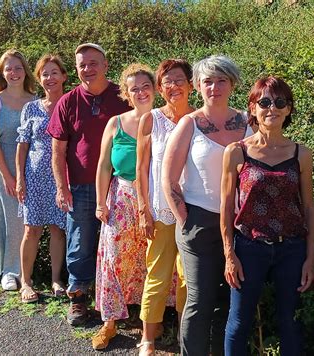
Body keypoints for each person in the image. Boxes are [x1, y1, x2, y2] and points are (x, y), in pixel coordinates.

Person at [162, 55, 253, 356]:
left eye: (221, 80)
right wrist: (185, 221)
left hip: (240, 223)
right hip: (198, 222)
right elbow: (169, 179)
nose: (214, 86)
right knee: (200, 300)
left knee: (230, 298)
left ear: (232, 84)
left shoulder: (247, 123)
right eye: (207, 81)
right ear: (198, 86)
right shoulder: (189, 123)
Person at [220, 76, 314, 355]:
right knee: (239, 322)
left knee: (291, 322)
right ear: (252, 108)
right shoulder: (236, 152)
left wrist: (310, 257)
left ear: (288, 110)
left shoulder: (302, 154)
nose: (271, 107)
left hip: (292, 248)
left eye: (280, 102)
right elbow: (226, 206)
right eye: (263, 102)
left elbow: (308, 207)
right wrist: (229, 254)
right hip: (249, 248)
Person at [47, 43, 130, 326]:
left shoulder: (124, 97)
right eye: (82, 64)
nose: (88, 69)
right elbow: (58, 151)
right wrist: (62, 187)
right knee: (80, 242)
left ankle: (124, 301)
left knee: (122, 243)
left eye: (93, 63)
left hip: (120, 184)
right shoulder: (67, 102)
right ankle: (79, 298)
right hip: (81, 186)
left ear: (106, 66)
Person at [92, 64, 156, 350]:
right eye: (134, 88)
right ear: (126, 94)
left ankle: (151, 319)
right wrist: (99, 202)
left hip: (154, 200)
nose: (141, 92)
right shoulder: (116, 123)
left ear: (155, 89)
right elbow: (104, 165)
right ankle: (110, 322)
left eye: (145, 86)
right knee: (114, 260)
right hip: (120, 198)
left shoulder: (165, 121)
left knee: (151, 259)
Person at [136, 59, 193, 356]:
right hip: (160, 212)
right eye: (167, 81)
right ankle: (148, 339)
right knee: (157, 275)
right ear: (160, 88)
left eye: (179, 79)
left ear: (191, 84)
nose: (174, 86)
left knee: (188, 277)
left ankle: (187, 338)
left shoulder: (199, 119)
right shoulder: (152, 120)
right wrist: (144, 209)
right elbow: (141, 169)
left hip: (192, 213)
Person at [16, 54, 68, 302]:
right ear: (39, 79)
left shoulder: (72, 104)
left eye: (54, 72)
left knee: (58, 230)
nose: (50, 78)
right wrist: (19, 179)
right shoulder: (31, 108)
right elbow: (22, 145)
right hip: (34, 177)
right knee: (32, 230)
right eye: (45, 74)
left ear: (64, 76)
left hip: (63, 178)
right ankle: (25, 282)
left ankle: (56, 279)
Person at [0, 50, 35, 291]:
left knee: (28, 219)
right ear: (2, 73)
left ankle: (26, 270)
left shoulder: (35, 100)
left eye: (18, 68)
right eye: (8, 69)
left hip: (31, 165)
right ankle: (8, 270)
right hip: (2, 162)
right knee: (9, 216)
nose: (13, 73)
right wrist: (7, 175)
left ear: (25, 71)